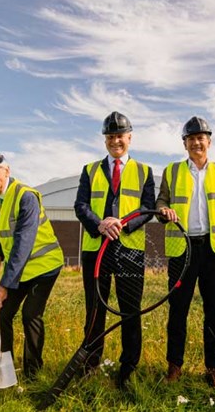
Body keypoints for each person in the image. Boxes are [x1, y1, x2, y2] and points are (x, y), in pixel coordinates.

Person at [73, 111, 155, 389]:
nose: (115, 140)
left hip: (130, 249)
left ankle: (128, 368)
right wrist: (100, 225)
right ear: (105, 140)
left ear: (129, 138)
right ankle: (90, 363)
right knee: (95, 309)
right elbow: (81, 206)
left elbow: (147, 209)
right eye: (110, 136)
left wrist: (122, 224)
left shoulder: (145, 171)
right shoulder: (90, 170)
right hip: (96, 249)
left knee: (130, 310)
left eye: (120, 135)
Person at [157, 116, 215, 389]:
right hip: (182, 249)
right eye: (191, 139)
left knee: (214, 310)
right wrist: (163, 210)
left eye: (201, 138)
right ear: (185, 144)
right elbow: (161, 202)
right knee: (177, 309)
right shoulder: (172, 171)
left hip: (213, 249)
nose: (196, 143)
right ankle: (175, 366)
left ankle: (213, 367)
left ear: (209, 141)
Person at [0, 146, 64, 380]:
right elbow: (6, 231)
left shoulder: (26, 196)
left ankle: (33, 374)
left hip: (44, 266)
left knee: (31, 315)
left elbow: (23, 241)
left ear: (6, 169)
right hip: (19, 269)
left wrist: (4, 285)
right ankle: (6, 371)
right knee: (2, 315)